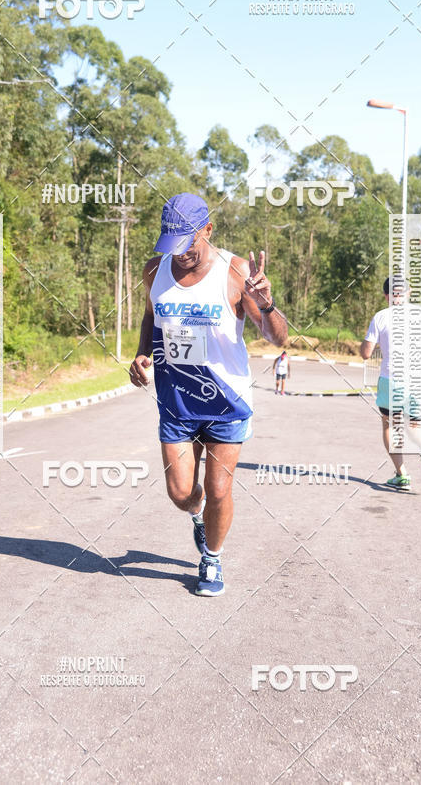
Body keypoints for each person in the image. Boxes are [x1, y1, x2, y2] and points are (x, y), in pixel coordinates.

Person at [129, 193, 288, 595]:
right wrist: (143, 353)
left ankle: (212, 559)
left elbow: (278, 337)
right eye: (172, 245)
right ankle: (196, 515)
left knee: (219, 489)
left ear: (208, 230)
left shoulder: (236, 272)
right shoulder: (155, 270)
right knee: (182, 493)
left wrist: (266, 305)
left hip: (226, 402)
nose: (179, 254)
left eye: (188, 243)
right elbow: (152, 315)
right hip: (176, 400)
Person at [360, 275, 421, 491]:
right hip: (420, 381)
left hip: (392, 379)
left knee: (389, 424)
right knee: (416, 424)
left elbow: (366, 353)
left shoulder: (381, 317)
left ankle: (401, 474)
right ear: (409, 293)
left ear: (386, 296)